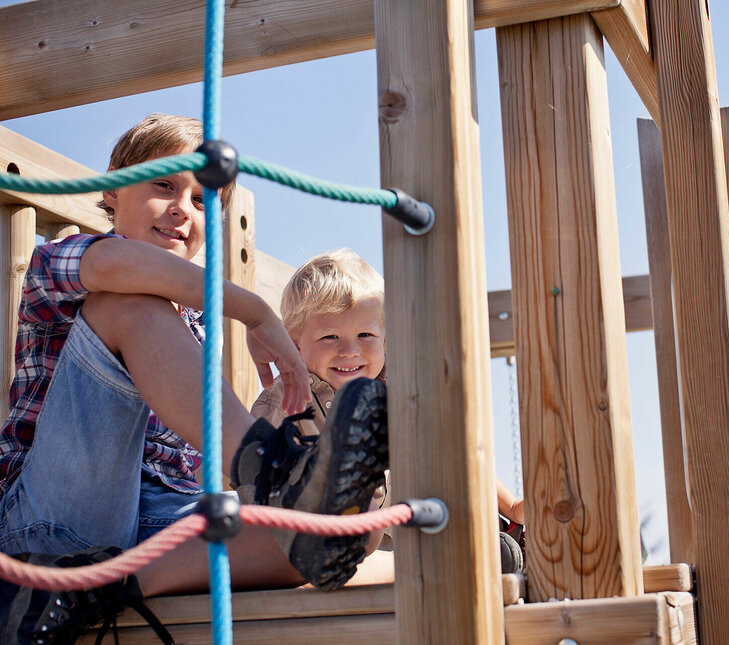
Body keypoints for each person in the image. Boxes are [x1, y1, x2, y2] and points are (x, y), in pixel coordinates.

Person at [0, 114, 389, 643]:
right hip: (53, 519)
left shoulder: (197, 327)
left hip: (155, 533)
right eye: (165, 184)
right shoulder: (65, 265)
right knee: (132, 302)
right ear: (113, 187)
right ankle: (268, 466)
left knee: (326, 531)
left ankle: (93, 592)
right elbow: (117, 265)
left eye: (205, 201)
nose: (184, 208)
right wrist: (254, 310)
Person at [250, 249, 526, 582]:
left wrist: (510, 505)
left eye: (365, 335)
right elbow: (260, 485)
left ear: (385, 340)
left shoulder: (395, 394)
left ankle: (500, 529)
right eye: (329, 336)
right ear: (293, 345)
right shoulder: (288, 401)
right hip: (331, 550)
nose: (350, 349)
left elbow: (456, 452)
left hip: (398, 540)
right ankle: (471, 554)